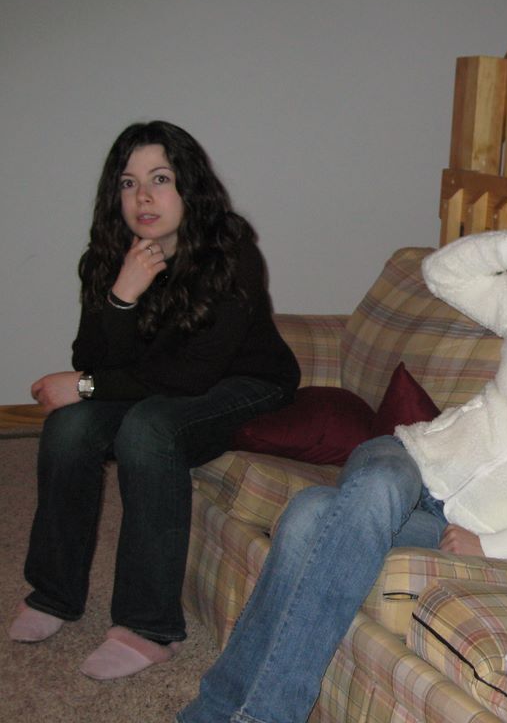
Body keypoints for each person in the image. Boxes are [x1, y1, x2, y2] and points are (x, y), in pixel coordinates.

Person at [177, 196, 507, 723]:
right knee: (378, 488)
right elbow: (442, 272)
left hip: (464, 523)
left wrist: (494, 545)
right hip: (407, 459)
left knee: (311, 513)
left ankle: (214, 711)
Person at [8, 121, 300, 680]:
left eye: (160, 179)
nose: (143, 196)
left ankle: (148, 626)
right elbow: (92, 356)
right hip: (161, 382)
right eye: (128, 183)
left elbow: (192, 373)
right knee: (69, 428)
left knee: (147, 428)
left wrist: (86, 386)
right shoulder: (109, 256)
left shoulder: (229, 250)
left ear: (189, 186)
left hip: (247, 383)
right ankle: (54, 593)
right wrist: (122, 296)